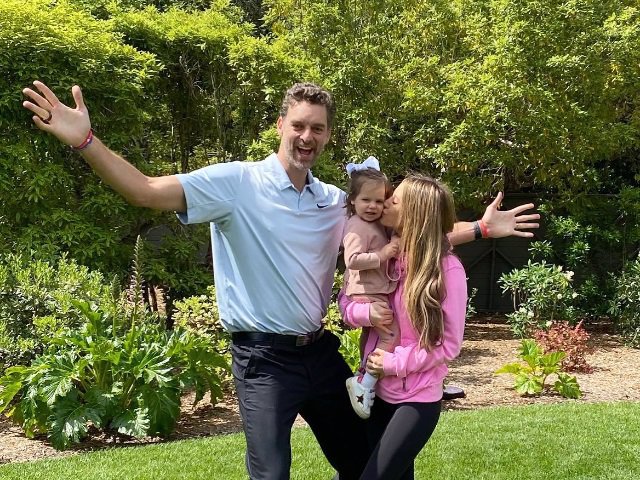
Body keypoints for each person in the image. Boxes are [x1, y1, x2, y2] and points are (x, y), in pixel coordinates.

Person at [22, 80, 540, 480]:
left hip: (319, 352)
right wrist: (85, 140)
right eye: (298, 125)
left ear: (328, 135)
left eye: (317, 128)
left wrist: (476, 228)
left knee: (369, 462)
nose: (307, 136)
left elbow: (412, 237)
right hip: (263, 361)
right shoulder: (234, 184)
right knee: (271, 473)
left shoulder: (335, 200)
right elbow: (144, 191)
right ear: (280, 125)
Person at [341, 174, 466, 480]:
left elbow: (448, 345)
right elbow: (346, 304)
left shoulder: (447, 270)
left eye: (393, 200)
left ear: (414, 214)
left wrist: (394, 362)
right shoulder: (386, 257)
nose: (383, 203)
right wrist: (367, 313)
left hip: (417, 399)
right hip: (376, 393)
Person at [342, 156, 399, 419]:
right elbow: (352, 260)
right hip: (367, 292)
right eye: (366, 200)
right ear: (352, 199)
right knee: (390, 336)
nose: (373, 206)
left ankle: (361, 375)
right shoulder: (355, 225)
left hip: (373, 288)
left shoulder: (373, 224)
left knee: (371, 338)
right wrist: (384, 253)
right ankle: (364, 385)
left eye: (379, 201)